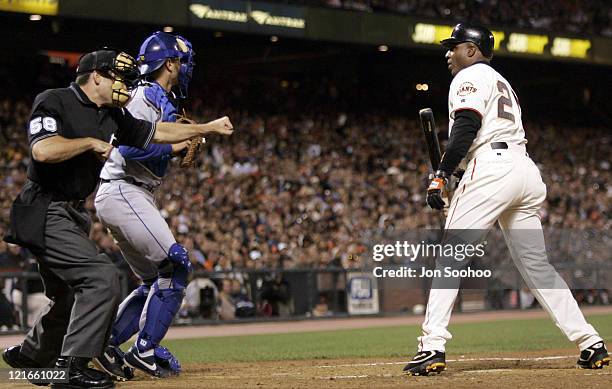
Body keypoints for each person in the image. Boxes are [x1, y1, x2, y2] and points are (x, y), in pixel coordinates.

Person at [1, 48, 232, 389]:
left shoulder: (112, 113)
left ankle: (34, 359)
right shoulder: (55, 100)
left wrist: (206, 128)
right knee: (102, 278)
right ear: (95, 77)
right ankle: (72, 368)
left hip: (74, 211)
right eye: (116, 77)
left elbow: (155, 132)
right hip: (44, 207)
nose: (123, 85)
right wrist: (89, 143)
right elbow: (43, 151)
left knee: (68, 292)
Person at [404, 23, 609, 376]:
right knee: (537, 266)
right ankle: (591, 343)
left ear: (472, 49)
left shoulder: (469, 76)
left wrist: (441, 174)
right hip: (524, 172)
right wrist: (455, 171)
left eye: (454, 47)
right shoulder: (502, 82)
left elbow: (466, 126)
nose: (448, 53)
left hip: (492, 167)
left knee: (452, 255)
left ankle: (432, 345)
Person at [92, 31, 204, 379]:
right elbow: (129, 148)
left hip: (126, 192)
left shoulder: (156, 96)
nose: (186, 69)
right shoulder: (144, 95)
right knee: (177, 265)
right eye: (182, 62)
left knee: (156, 278)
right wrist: (176, 145)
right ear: (170, 63)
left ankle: (107, 344)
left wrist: (177, 141)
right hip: (124, 188)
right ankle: (145, 349)